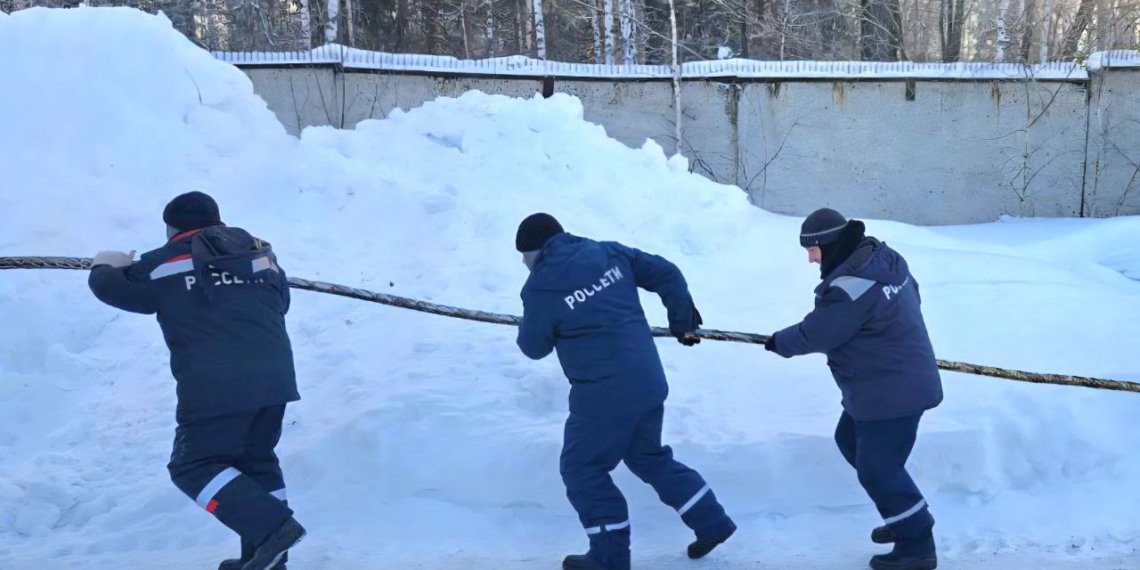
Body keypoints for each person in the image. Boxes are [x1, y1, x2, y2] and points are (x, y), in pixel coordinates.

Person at [87, 191, 305, 570]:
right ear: (217, 221)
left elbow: (116, 289)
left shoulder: (165, 261)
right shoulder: (259, 255)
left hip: (216, 382)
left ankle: (274, 530)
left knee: (194, 466)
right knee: (256, 462)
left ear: (172, 228)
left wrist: (105, 266)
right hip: (275, 377)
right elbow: (281, 302)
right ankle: (268, 559)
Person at [514, 213, 736, 570]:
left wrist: (531, 318)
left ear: (535, 252)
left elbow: (533, 346)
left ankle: (608, 557)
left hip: (604, 395)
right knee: (648, 456)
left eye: (525, 258)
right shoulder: (607, 253)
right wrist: (683, 322)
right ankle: (712, 522)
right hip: (648, 379)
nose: (525, 265)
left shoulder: (540, 287)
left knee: (582, 468)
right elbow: (667, 273)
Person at [763, 208, 943, 570]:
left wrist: (778, 342)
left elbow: (817, 333)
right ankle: (903, 516)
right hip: (891, 382)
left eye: (813, 249)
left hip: (890, 393)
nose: (811, 257)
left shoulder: (849, 288)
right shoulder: (884, 257)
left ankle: (917, 545)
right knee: (850, 442)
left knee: (878, 469)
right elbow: (913, 297)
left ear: (830, 244)